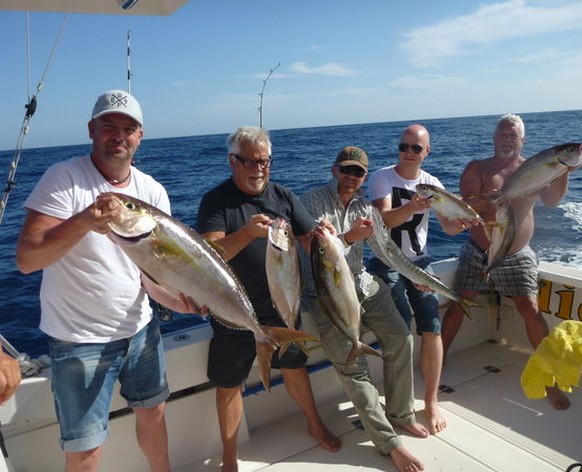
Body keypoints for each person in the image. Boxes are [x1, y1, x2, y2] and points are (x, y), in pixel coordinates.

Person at [16, 90, 173, 472]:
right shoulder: (64, 178)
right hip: (79, 340)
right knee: (86, 450)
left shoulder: (152, 190)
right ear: (91, 130)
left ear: (140, 136)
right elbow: (26, 259)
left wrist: (179, 299)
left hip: (140, 330)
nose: (118, 135)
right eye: (109, 125)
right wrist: (85, 221)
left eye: (128, 128)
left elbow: (154, 271)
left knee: (154, 415)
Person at [196, 126, 341, 472]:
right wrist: (246, 234)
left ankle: (314, 423)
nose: (259, 169)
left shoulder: (283, 196)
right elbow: (208, 255)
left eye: (265, 162)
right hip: (232, 312)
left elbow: (309, 240)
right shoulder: (217, 201)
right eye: (250, 161)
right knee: (229, 384)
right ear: (233, 161)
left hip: (282, 308)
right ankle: (229, 456)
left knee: (294, 366)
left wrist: (327, 237)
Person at [300, 146, 428, 472]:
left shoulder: (367, 208)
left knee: (402, 338)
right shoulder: (313, 200)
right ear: (334, 169)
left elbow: (385, 250)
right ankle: (389, 443)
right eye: (345, 169)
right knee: (352, 365)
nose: (350, 177)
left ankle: (400, 414)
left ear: (364, 177)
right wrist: (350, 235)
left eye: (357, 172)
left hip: (364, 285)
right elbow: (318, 248)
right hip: (327, 294)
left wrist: (417, 278)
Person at [440, 113, 577, 411]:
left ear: (522, 140)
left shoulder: (536, 169)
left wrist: (564, 170)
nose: (506, 139)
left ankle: (549, 380)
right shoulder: (477, 168)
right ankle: (437, 362)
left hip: (517, 253)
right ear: (493, 138)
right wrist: (485, 200)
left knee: (530, 309)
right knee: (460, 303)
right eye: (502, 134)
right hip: (478, 249)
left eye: (512, 136)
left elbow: (552, 201)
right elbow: (464, 209)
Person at [367, 124, 464, 435]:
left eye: (415, 148)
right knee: (401, 331)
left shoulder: (432, 183)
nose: (408, 153)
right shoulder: (382, 177)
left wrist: (467, 221)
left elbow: (450, 228)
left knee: (432, 329)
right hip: (387, 260)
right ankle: (401, 404)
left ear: (427, 153)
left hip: (420, 262)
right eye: (403, 147)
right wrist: (411, 206)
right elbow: (383, 220)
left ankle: (431, 401)